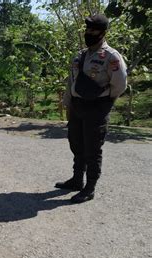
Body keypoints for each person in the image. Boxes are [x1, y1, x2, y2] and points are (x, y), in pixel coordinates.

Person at [57, 14, 127, 203]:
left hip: (97, 108)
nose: (89, 33)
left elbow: (120, 85)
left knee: (92, 148)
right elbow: (71, 82)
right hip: (78, 106)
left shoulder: (111, 57)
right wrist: (68, 103)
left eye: (93, 30)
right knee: (76, 143)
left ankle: (90, 187)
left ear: (103, 33)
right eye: (87, 29)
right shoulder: (80, 55)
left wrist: (104, 101)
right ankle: (77, 180)